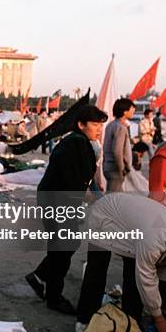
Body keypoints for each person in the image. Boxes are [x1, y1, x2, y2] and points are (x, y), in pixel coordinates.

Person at [75, 193, 166, 332]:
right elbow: (146, 280)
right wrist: (159, 320)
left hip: (134, 225)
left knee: (132, 278)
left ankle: (130, 322)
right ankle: (84, 319)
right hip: (104, 213)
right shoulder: (154, 242)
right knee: (97, 268)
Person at [26, 105, 108, 315]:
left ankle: (40, 277)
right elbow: (71, 179)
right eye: (95, 124)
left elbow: (84, 178)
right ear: (81, 124)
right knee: (63, 245)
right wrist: (89, 197)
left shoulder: (81, 142)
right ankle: (53, 296)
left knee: (66, 244)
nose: (99, 129)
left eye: (101, 125)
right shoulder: (75, 143)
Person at [103, 98, 135, 192]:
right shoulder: (120, 128)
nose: (134, 111)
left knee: (115, 198)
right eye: (132, 108)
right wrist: (121, 169)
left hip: (109, 166)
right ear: (125, 112)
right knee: (112, 200)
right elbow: (117, 151)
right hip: (115, 169)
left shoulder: (111, 125)